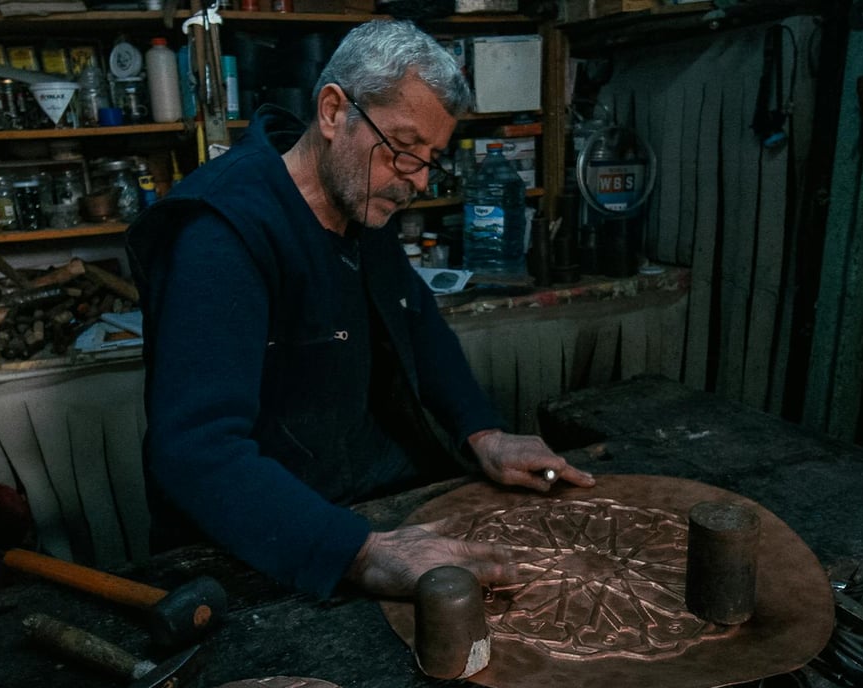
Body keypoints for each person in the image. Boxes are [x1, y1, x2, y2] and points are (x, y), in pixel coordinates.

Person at [127, 20, 593, 600]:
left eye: (430, 159)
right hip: (262, 535)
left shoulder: (360, 193)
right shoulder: (219, 234)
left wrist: (483, 432)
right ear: (332, 112)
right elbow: (197, 453)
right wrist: (362, 553)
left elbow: (416, 322)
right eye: (402, 148)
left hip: (364, 497)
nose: (415, 181)